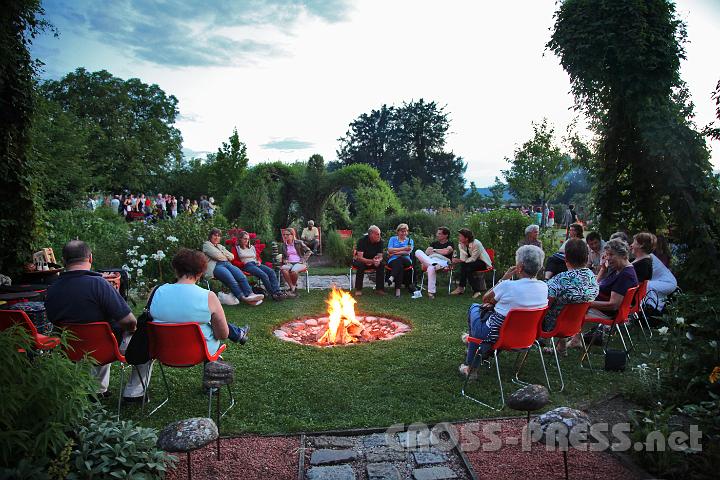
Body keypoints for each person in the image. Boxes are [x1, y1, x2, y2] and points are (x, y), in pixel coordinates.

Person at [46, 240, 150, 402]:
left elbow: (53, 319)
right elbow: (129, 321)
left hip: (70, 349)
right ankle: (134, 393)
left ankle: (97, 389)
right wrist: (131, 330)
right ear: (90, 258)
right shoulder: (99, 284)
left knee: (100, 330)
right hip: (105, 349)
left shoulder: (52, 288)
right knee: (145, 340)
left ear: (64, 261)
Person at [459, 245, 548, 376]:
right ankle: (476, 345)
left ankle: (472, 366)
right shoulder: (543, 287)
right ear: (539, 267)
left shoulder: (507, 285)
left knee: (474, 308)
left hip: (496, 336)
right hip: (525, 337)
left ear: (520, 267)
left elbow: (485, 299)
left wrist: (504, 278)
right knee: (485, 313)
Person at [150, 248, 248, 357]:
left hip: (162, 352)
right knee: (211, 323)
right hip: (199, 353)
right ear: (200, 273)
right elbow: (223, 334)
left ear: (176, 270)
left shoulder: (155, 291)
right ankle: (213, 368)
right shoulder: (209, 297)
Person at [542, 239, 599, 353]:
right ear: (587, 258)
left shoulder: (560, 279)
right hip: (576, 324)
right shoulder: (591, 277)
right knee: (563, 304)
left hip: (552, 325)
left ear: (566, 258)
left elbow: (545, 304)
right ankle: (561, 347)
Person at [202, 228, 264, 306]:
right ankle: (244, 298)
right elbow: (217, 256)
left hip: (227, 264)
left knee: (241, 276)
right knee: (232, 280)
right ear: (210, 236)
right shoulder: (206, 245)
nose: (217, 237)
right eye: (215, 235)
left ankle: (250, 295)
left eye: (218, 236)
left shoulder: (220, 246)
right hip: (216, 266)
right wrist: (224, 255)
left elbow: (232, 257)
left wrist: (223, 255)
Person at [234, 231, 288, 301]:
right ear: (240, 239)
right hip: (247, 265)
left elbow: (257, 257)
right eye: (244, 239)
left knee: (271, 272)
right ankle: (273, 293)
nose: (246, 240)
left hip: (256, 264)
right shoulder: (236, 248)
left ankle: (277, 291)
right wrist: (242, 264)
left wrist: (259, 261)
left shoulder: (252, 247)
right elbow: (234, 261)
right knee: (263, 275)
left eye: (247, 239)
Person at [450, 228, 492, 298]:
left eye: (460, 236)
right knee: (465, 266)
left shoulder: (477, 243)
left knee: (467, 267)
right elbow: (463, 258)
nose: (459, 237)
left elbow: (473, 258)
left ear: (466, 238)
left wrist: (461, 261)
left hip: (482, 262)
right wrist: (460, 260)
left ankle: (464, 288)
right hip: (470, 263)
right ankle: (467, 289)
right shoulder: (461, 244)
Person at [414, 226, 455, 299]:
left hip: (443, 262)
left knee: (430, 268)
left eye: (439, 233)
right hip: (433, 261)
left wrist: (434, 250)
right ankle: (434, 264)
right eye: (437, 233)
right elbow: (427, 252)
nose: (437, 235)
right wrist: (439, 251)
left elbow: (446, 251)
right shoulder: (434, 243)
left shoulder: (450, 244)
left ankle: (431, 292)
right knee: (418, 252)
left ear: (446, 235)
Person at [352, 225, 385, 296]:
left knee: (381, 265)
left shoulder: (380, 241)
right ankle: (358, 289)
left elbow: (380, 256)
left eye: (379, 234)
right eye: (377, 234)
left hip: (373, 261)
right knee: (360, 266)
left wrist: (378, 260)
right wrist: (370, 261)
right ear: (371, 234)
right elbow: (359, 257)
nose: (379, 236)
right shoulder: (362, 241)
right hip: (361, 260)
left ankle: (379, 289)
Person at [279, 227, 312, 296]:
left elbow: (309, 251)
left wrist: (303, 259)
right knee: (283, 269)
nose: (285, 236)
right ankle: (293, 287)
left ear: (292, 235)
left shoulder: (299, 243)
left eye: (287, 234)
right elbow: (284, 256)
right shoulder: (284, 245)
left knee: (294, 271)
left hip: (299, 262)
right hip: (289, 263)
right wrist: (284, 260)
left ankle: (292, 288)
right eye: (284, 234)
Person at [386, 223, 415, 297]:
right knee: (399, 265)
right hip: (393, 261)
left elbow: (408, 252)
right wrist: (403, 248)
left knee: (400, 260)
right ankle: (397, 290)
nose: (404, 233)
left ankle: (392, 277)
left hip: (406, 260)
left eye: (405, 231)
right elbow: (389, 250)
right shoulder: (392, 239)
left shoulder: (410, 241)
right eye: (402, 231)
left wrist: (394, 253)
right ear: (398, 231)